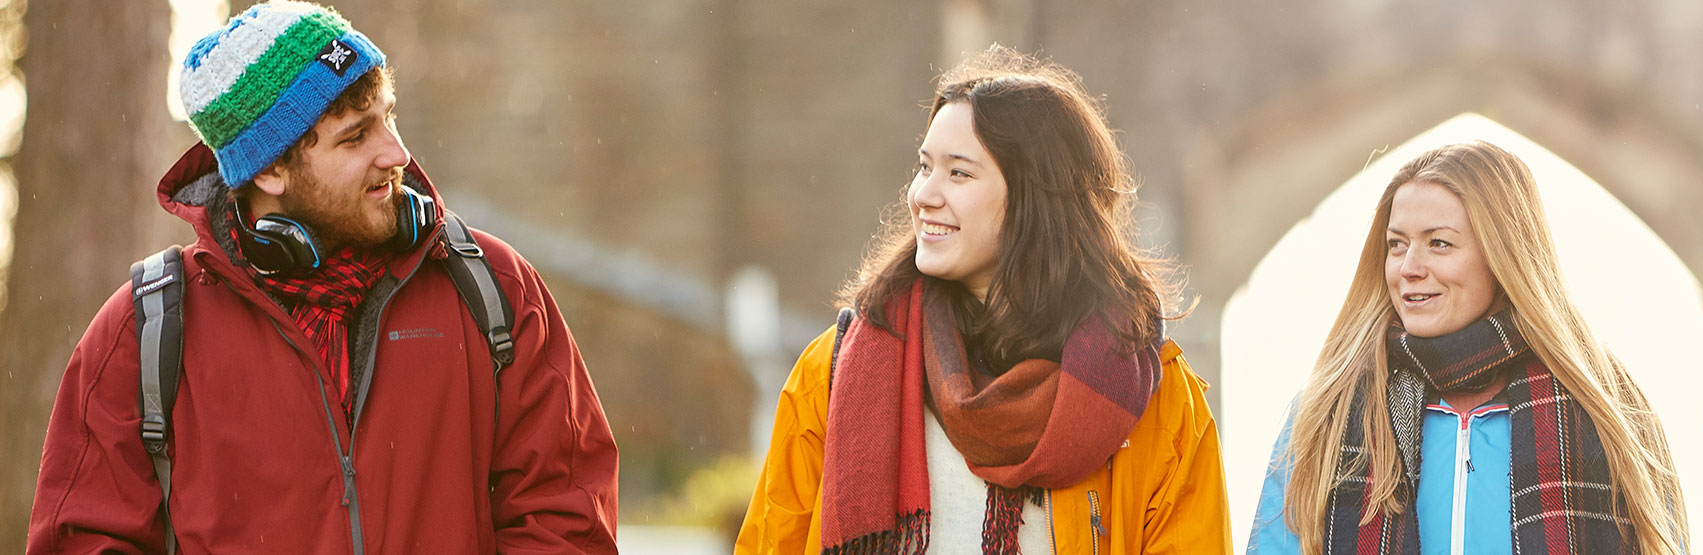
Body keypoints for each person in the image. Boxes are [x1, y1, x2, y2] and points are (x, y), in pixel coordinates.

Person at [26, 2, 618, 553]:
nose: (397, 154)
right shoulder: (143, 332)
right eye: (355, 136)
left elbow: (567, 517)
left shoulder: (494, 290)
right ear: (273, 169)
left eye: (387, 118)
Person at [734, 45, 1228, 555]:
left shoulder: (1157, 401)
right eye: (924, 167)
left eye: (959, 173)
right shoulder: (835, 373)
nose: (923, 194)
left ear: (1037, 198)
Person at [1245, 141, 1687, 554]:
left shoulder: (1609, 412)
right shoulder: (1328, 413)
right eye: (1396, 245)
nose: (1409, 268)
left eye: (1439, 243)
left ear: (1503, 255)